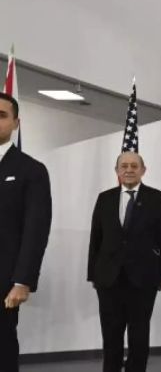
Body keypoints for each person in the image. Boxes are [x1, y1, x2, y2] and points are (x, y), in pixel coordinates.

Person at [87, 152, 161, 372]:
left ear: (143, 170)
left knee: (139, 335)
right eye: (123, 166)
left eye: (134, 166)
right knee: (111, 334)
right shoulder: (104, 198)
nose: (129, 169)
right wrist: (93, 274)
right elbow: (96, 238)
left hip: (144, 278)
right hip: (108, 278)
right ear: (117, 170)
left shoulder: (157, 198)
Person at [0, 92, 52, 372]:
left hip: (4, 279)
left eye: (2, 115)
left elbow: (36, 229)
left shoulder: (31, 170)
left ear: (16, 123)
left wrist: (23, 280)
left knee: (2, 348)